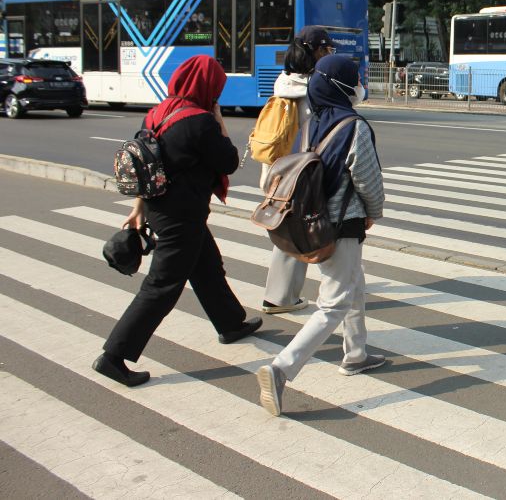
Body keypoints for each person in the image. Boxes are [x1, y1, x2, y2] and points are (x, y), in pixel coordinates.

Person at [93, 55, 262, 387]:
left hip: (163, 207)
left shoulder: (159, 112)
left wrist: (140, 207)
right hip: (180, 215)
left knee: (207, 266)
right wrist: (219, 121)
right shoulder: (200, 121)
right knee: (162, 287)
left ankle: (230, 323)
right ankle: (114, 356)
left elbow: (150, 163)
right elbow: (227, 162)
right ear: (208, 86)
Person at [257, 54, 385, 417]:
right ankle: (281, 369)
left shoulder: (312, 123)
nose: (359, 84)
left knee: (353, 284)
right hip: (341, 223)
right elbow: (368, 181)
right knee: (334, 302)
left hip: (310, 219)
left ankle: (356, 354)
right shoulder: (353, 126)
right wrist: (373, 214)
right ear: (341, 85)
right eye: (355, 78)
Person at [259, 26, 333, 314]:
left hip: (279, 170)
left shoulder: (284, 82)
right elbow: (356, 94)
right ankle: (286, 297)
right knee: (315, 230)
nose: (328, 54)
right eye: (325, 49)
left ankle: (280, 296)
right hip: (304, 174)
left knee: (292, 229)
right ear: (313, 51)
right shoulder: (315, 87)